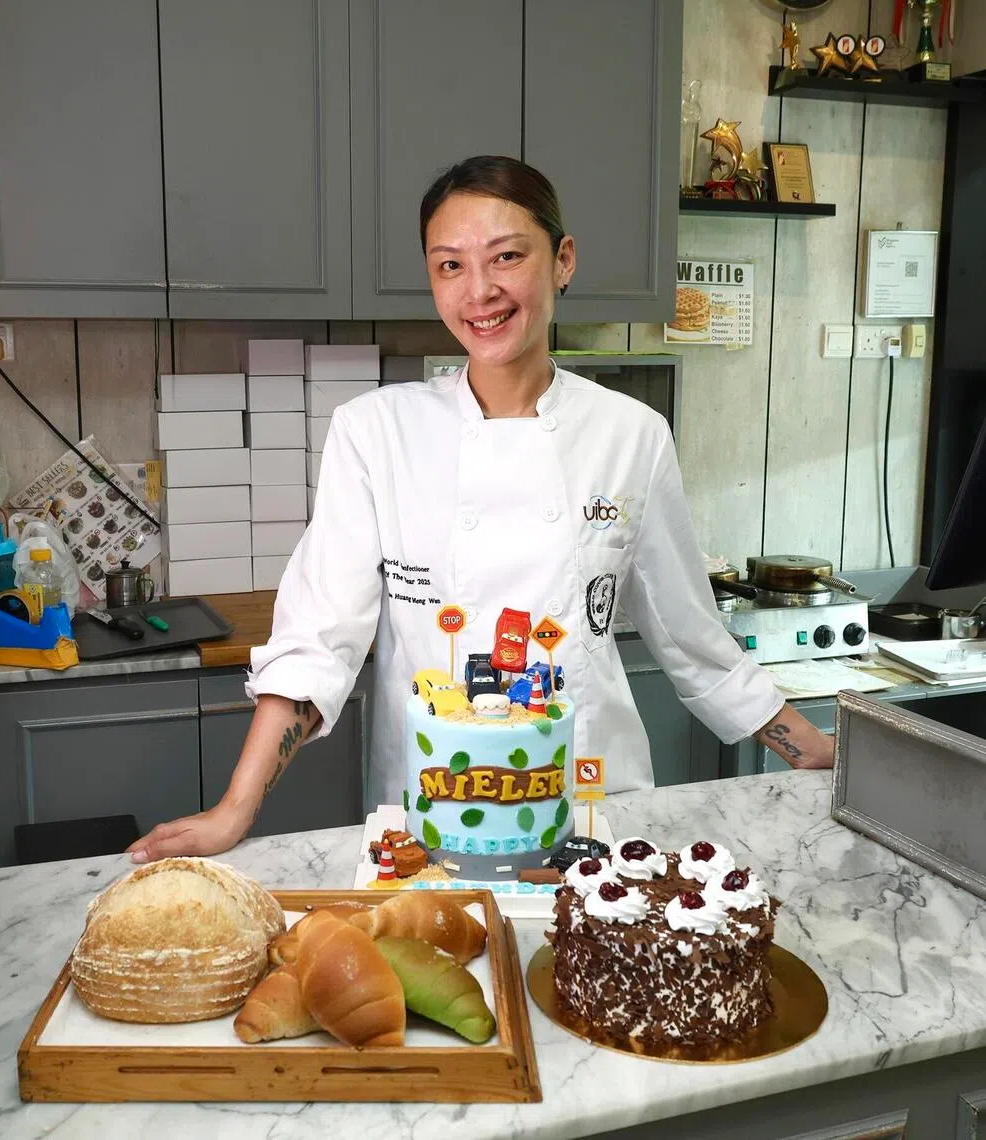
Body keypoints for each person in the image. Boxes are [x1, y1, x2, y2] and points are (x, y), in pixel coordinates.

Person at [129, 155, 832, 864]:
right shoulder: (376, 432)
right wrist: (233, 810)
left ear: (563, 260)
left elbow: (693, 640)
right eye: (450, 266)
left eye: (506, 256)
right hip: (433, 814)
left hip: (589, 809)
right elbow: (317, 643)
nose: (480, 291)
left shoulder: (631, 435)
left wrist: (815, 753)